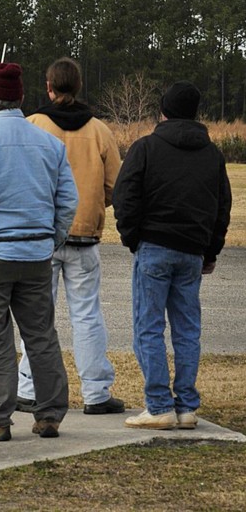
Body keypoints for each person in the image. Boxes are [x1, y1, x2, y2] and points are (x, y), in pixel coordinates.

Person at [0, 62, 78, 441]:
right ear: (22, 98)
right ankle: (50, 414)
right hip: (36, 255)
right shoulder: (50, 144)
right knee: (40, 334)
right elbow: (67, 201)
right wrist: (50, 240)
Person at [112, 81, 231, 430]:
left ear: (163, 111)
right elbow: (221, 207)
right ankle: (186, 407)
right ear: (196, 114)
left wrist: (132, 237)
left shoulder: (146, 147)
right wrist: (211, 250)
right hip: (192, 252)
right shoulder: (213, 154)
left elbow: (125, 196)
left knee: (148, 328)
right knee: (187, 330)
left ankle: (160, 405)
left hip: (154, 247)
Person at [16, 57, 125, 416]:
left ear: (48, 87)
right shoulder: (99, 131)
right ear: (78, 87)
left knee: (37, 318)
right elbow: (115, 187)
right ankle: (95, 393)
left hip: (40, 237)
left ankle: (29, 389)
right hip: (83, 236)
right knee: (87, 316)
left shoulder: (32, 125)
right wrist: (94, 206)